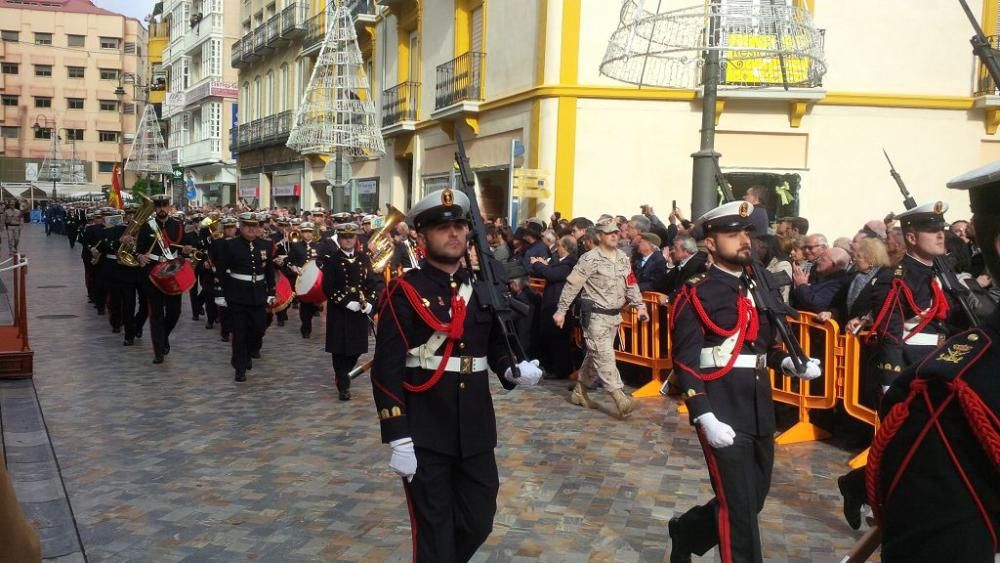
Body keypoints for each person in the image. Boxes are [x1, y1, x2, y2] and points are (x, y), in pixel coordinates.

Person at [371, 188, 542, 561]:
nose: (453, 234)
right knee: (434, 531)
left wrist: (510, 368)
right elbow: (386, 367)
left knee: (479, 520)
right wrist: (397, 435)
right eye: (441, 227)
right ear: (421, 236)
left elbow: (494, 344)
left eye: (460, 226)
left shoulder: (482, 289)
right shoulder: (406, 291)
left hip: (476, 428)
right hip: (426, 428)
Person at [667, 201, 821, 563]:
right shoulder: (696, 291)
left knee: (754, 497)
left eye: (745, 233)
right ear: (710, 243)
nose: (743, 241)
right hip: (719, 405)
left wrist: (790, 364)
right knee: (737, 507)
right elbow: (685, 360)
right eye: (732, 234)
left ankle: (688, 530)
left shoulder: (760, 286)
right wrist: (703, 415)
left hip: (757, 403)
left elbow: (763, 348)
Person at [864, 161, 1000, 562]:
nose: (942, 235)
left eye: (943, 229)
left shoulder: (945, 276)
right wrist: (892, 378)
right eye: (932, 230)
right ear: (910, 236)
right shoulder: (899, 277)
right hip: (917, 360)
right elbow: (890, 328)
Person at [553, 218, 650, 419]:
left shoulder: (623, 258)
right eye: (608, 233)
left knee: (594, 357)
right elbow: (573, 285)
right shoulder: (589, 259)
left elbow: (630, 283)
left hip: (614, 317)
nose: (614, 235)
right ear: (599, 236)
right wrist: (561, 310)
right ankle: (620, 397)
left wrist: (639, 305)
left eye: (616, 231)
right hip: (595, 316)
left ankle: (579, 392)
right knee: (605, 356)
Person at [320, 222, 380, 400]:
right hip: (340, 311)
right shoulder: (332, 260)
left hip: (359, 310)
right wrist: (346, 302)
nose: (348, 240)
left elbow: (371, 283)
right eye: (344, 237)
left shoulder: (363, 259)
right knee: (339, 350)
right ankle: (343, 384)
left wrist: (370, 303)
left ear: (356, 239)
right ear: (339, 239)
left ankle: (344, 373)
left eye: (351, 237)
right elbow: (328, 287)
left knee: (357, 348)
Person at [214, 212, 275, 382]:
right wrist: (219, 292)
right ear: (240, 226)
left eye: (254, 225)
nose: (251, 229)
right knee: (239, 332)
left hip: (258, 294)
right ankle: (239, 367)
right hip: (238, 294)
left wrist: (271, 292)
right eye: (247, 225)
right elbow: (221, 269)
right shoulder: (230, 245)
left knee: (258, 329)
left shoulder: (266, 245)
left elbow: (269, 271)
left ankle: (249, 352)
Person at [135, 195, 188, 364]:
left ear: (170, 206)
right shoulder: (147, 226)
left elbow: (185, 245)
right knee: (156, 313)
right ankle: (158, 350)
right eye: (158, 206)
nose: (161, 209)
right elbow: (138, 249)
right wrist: (139, 257)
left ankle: (163, 336)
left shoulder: (178, 225)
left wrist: (187, 248)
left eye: (164, 205)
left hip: (172, 272)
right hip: (153, 273)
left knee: (175, 311)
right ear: (155, 208)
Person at [529, 235, 579, 379]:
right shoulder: (559, 261)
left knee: (559, 340)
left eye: (560, 246)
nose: (557, 248)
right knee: (550, 338)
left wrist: (538, 264)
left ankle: (561, 370)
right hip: (551, 303)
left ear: (565, 248)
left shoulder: (570, 263)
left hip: (560, 305)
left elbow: (551, 274)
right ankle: (552, 367)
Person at [288, 221, 321, 338]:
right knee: (305, 305)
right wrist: (294, 267)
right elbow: (289, 261)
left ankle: (313, 311)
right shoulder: (296, 246)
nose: (307, 234)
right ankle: (306, 328)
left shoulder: (318, 246)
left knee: (313, 305)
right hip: (302, 279)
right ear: (301, 233)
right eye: (305, 232)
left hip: (315, 280)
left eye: (309, 232)